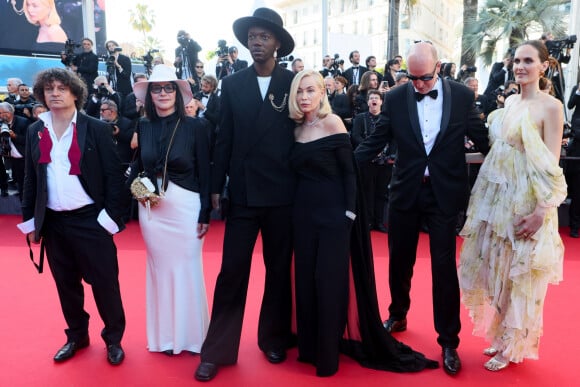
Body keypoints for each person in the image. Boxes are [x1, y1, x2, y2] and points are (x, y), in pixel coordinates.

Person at [288, 70, 438, 377]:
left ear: (322, 93)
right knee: (304, 282)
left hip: (333, 217)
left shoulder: (333, 123)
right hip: (302, 217)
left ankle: (327, 356)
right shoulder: (295, 129)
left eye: (311, 90)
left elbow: (349, 172)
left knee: (328, 284)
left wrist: (349, 214)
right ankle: (310, 348)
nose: (305, 96)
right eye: (300, 91)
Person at [354, 42, 490, 376]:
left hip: (444, 194)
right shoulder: (397, 97)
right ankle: (398, 313)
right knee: (400, 259)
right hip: (405, 192)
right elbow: (378, 139)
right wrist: (343, 163)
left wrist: (512, 161)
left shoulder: (461, 96)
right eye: (412, 78)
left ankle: (449, 340)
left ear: (439, 67)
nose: (418, 85)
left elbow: (482, 137)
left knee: (443, 267)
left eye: (424, 78)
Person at [194, 8, 297, 382]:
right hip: (242, 195)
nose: (256, 42)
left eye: (264, 36)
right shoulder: (233, 84)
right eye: (252, 36)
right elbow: (224, 140)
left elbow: (304, 136)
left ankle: (274, 337)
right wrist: (217, 188)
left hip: (284, 195)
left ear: (277, 44)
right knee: (232, 273)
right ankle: (217, 350)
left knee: (278, 271)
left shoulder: (294, 82)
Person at [459, 40, 567, 372]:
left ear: (543, 66)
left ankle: (514, 344)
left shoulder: (551, 107)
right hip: (499, 201)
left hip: (530, 203)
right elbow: (498, 153)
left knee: (521, 277)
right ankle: (503, 333)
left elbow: (551, 163)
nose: (520, 66)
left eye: (528, 61)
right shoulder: (506, 104)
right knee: (497, 272)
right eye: (517, 60)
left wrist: (541, 211)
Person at [17, 67, 127, 365]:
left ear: (75, 93)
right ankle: (77, 336)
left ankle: (113, 339)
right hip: (54, 223)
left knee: (105, 284)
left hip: (91, 220)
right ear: (42, 94)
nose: (54, 93)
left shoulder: (97, 128)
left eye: (61, 88)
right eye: (49, 89)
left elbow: (114, 177)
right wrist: (32, 223)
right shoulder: (34, 130)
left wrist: (110, 219)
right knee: (66, 285)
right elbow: (31, 178)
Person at [130, 64, 212, 355]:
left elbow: (206, 172)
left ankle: (192, 337)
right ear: (149, 94)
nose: (162, 93)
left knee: (187, 269)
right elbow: (141, 165)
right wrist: (137, 188)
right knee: (160, 271)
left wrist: (206, 214)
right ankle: (165, 337)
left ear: (177, 94)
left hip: (186, 209)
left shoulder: (196, 126)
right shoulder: (143, 126)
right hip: (152, 211)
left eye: (168, 88)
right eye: (156, 88)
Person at [351, 90, 390, 233]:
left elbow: (390, 137)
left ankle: (379, 221)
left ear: (381, 102)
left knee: (381, 192)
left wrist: (383, 151)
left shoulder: (386, 117)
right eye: (371, 98)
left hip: (384, 161)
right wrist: (371, 149)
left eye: (376, 98)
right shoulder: (360, 118)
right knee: (367, 192)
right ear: (367, 102)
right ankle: (367, 221)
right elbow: (355, 136)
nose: (373, 100)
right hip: (366, 161)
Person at [0, 102, 29, 200]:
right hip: (10, 158)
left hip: (24, 158)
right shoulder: (1, 123)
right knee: (18, 182)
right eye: (0, 113)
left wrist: (15, 136)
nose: (3, 115)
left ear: (12, 112)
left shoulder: (23, 122)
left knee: (26, 183)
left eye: (5, 112)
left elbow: (29, 140)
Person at [566, 81, 580, 238]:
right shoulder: (576, 90)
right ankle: (574, 226)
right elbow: (570, 105)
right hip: (577, 155)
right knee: (577, 193)